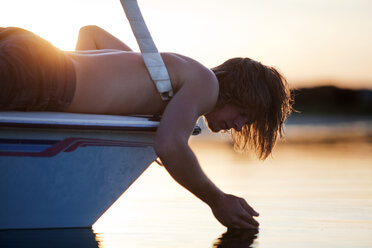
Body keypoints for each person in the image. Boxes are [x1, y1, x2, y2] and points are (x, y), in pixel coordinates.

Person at [0, 25, 292, 229]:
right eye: (244, 113)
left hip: (29, 49)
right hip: (41, 75)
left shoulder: (162, 76)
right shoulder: (207, 84)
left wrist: (94, 96)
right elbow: (170, 146)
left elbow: (91, 35)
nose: (239, 126)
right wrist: (218, 200)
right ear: (238, 91)